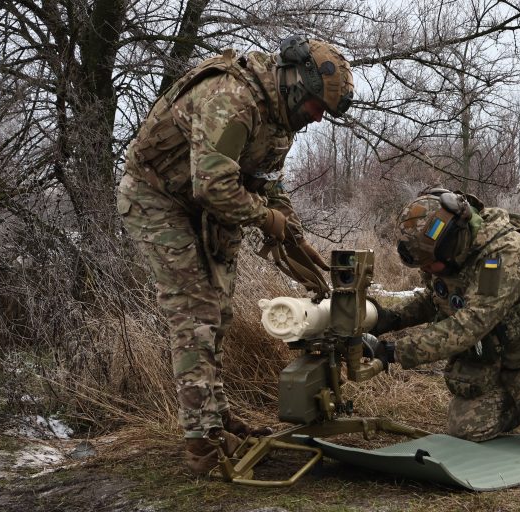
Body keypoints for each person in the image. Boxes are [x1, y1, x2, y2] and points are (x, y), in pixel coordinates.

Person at [116, 35, 354, 474]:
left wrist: (289, 228)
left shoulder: (280, 122)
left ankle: (217, 416)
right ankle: (203, 443)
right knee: (194, 312)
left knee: (220, 311)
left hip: (209, 203)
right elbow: (213, 185)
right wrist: (267, 220)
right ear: (297, 86)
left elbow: (267, 182)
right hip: (157, 196)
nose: (318, 118)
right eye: (317, 107)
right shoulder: (233, 98)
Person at [366, 188, 520, 453]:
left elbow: (471, 323)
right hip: (497, 363)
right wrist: (390, 318)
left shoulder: (503, 256)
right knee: (465, 430)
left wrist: (395, 352)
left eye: (429, 263)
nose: (426, 270)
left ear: (452, 241)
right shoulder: (453, 256)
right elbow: (436, 298)